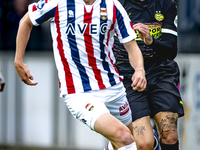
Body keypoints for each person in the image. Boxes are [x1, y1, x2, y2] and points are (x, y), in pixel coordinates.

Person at [14, 0, 147, 149]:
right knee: (124, 137)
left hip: (113, 87)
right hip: (78, 92)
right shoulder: (58, 3)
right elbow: (27, 20)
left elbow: (131, 45)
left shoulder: (112, 5)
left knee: (133, 141)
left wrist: (139, 70)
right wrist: (18, 60)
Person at [111, 0, 184, 150]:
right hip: (127, 76)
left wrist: (151, 41)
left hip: (161, 72)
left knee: (170, 136)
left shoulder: (166, 4)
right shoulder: (115, 4)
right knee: (144, 144)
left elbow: (171, 51)